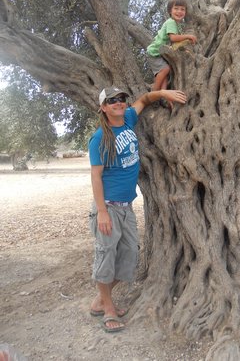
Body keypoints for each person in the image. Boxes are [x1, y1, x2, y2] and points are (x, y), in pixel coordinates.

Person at [88, 85, 187, 333]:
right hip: (108, 207)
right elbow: (96, 176)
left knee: (129, 257)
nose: (118, 103)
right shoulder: (100, 137)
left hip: (126, 207)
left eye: (121, 99)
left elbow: (144, 99)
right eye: (112, 101)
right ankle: (109, 309)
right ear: (103, 108)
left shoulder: (129, 118)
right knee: (106, 257)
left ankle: (101, 300)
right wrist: (101, 211)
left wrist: (163, 94)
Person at [146, 0, 197, 93]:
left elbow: (175, 42)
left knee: (164, 75)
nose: (179, 11)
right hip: (154, 53)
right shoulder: (171, 22)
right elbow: (173, 38)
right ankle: (154, 93)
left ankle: (163, 95)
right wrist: (188, 36)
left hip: (160, 53)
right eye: (176, 8)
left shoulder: (176, 25)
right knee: (165, 69)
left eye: (182, 9)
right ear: (170, 10)